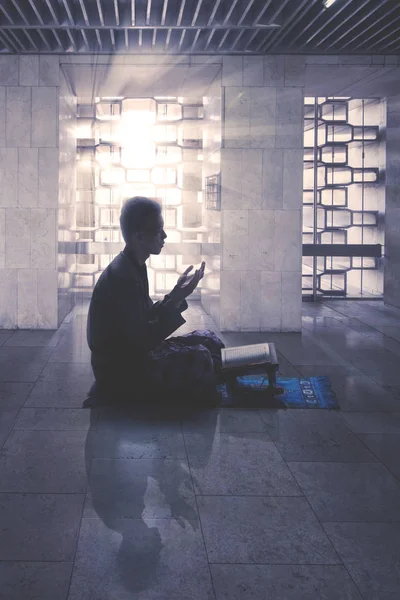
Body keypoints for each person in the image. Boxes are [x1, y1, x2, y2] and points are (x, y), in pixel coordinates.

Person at [85, 196, 225, 408]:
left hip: (135, 353)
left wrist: (177, 295)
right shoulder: (122, 276)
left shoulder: (134, 265)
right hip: (120, 372)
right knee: (202, 357)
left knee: (209, 339)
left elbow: (145, 315)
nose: (164, 236)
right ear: (140, 236)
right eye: (159, 230)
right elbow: (143, 341)